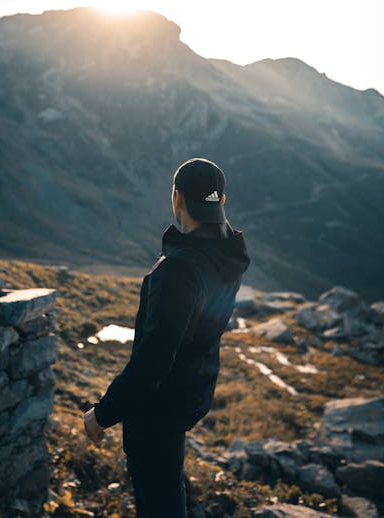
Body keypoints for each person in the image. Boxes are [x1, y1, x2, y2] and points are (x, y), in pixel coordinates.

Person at [83, 157, 250, 517]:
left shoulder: (179, 269)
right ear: (222, 201)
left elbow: (154, 360)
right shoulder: (226, 253)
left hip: (157, 407)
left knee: (158, 499)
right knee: (167, 487)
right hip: (191, 392)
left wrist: (103, 413)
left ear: (177, 198)